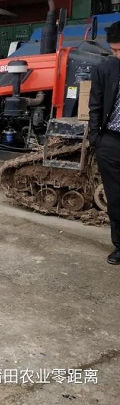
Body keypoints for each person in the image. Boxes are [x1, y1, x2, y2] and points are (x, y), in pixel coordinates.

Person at [89, 21, 120, 265]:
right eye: (113, 50)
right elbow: (95, 105)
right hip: (111, 142)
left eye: (119, 50)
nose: (116, 54)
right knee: (116, 198)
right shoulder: (105, 69)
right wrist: (96, 138)